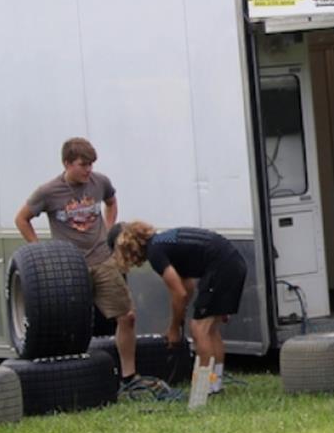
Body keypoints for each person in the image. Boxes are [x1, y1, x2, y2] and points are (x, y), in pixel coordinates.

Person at [13, 138, 141, 389]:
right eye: (83, 165)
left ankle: (129, 376)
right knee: (67, 326)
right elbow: (22, 219)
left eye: (91, 164)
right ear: (67, 163)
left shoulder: (99, 182)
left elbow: (111, 200)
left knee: (127, 317)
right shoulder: (48, 191)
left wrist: (108, 228)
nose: (88, 170)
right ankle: (64, 381)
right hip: (69, 268)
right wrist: (40, 250)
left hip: (102, 261)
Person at [110, 221, 247, 395]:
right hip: (233, 261)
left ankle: (202, 389)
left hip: (221, 266)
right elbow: (187, 286)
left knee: (199, 329)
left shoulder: (156, 252)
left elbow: (180, 294)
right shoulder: (165, 242)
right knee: (211, 330)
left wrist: (174, 328)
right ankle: (215, 384)